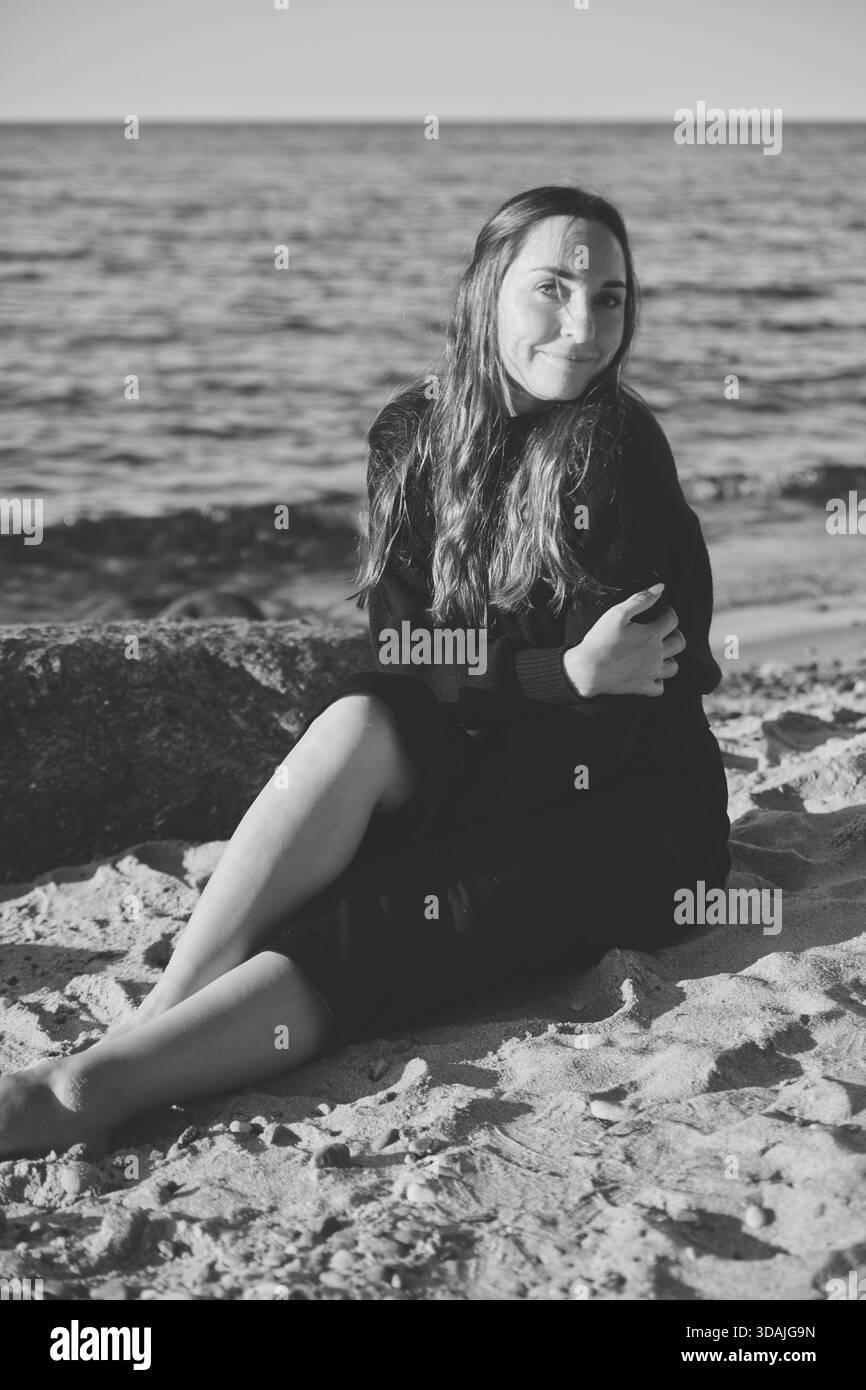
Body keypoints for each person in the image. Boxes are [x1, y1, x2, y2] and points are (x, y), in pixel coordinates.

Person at [0, 185, 731, 1160]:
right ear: (485, 294)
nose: (582, 324)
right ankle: (159, 1015)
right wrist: (555, 672)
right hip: (509, 750)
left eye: (607, 297)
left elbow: (614, 718)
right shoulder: (411, 431)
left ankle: (91, 1086)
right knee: (359, 721)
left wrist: (441, 809)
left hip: (633, 806)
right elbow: (407, 650)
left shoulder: (620, 452)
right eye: (551, 289)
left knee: (390, 909)